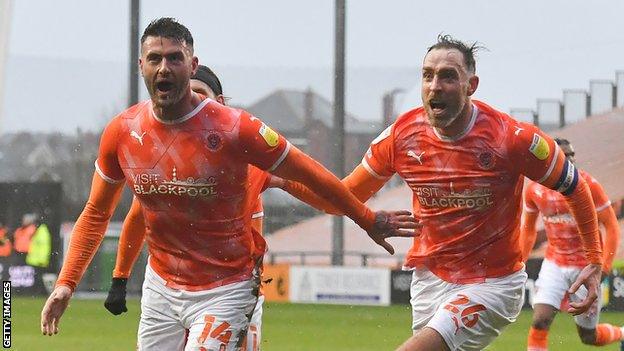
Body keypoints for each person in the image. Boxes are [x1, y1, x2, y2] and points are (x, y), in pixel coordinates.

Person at [40, 18, 417, 351]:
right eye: (155, 59)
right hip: (161, 287)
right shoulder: (122, 132)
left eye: (175, 58)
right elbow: (97, 212)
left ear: (193, 65)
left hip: (226, 287)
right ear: (141, 66)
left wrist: (366, 218)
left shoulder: (237, 131)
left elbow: (311, 175)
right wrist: (68, 283)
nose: (164, 67)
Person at [275, 34, 603, 351]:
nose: (435, 86)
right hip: (429, 278)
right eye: (427, 76)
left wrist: (595, 259)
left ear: (470, 86)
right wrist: (283, 178)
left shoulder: (511, 138)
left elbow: (575, 187)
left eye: (448, 76)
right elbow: (342, 198)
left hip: (492, 284)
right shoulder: (401, 136)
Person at [104, 64, 275, 351]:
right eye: (187, 95)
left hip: (228, 292)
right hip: (171, 292)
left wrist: (357, 209)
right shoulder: (165, 163)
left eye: (198, 94)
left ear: (219, 104)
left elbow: (309, 185)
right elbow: (136, 218)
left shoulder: (248, 156)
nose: (190, 103)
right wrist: (119, 279)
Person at [521, 138, 622, 350]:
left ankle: (622, 333)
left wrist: (602, 269)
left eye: (572, 156)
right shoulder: (535, 191)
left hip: (586, 266)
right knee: (540, 320)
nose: (570, 161)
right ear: (550, 160)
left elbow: (612, 227)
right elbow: (528, 230)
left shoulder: (588, 185)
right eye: (564, 156)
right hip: (554, 264)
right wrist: (520, 262)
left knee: (588, 337)